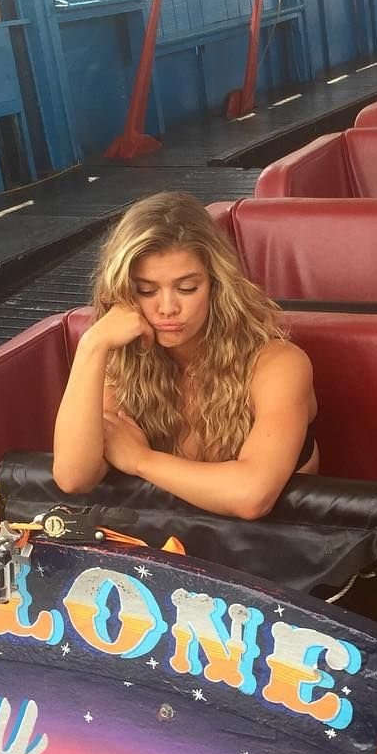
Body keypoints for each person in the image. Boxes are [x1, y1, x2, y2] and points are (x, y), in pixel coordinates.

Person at [52, 191, 318, 520]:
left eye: (187, 288)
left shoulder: (278, 363)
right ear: (123, 292)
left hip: (277, 546)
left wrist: (140, 460)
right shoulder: (122, 363)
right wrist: (92, 345)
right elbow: (73, 477)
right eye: (146, 290)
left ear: (217, 285)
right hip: (168, 544)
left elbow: (252, 496)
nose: (167, 308)